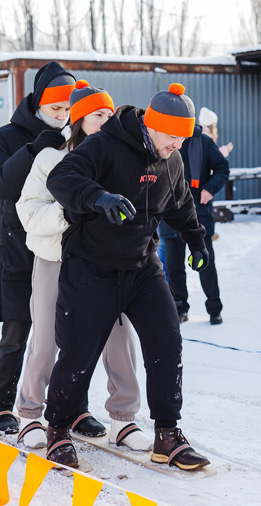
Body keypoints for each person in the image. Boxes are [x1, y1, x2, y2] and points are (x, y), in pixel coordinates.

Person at [43, 83, 212, 471]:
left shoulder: (171, 159)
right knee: (79, 353)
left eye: (183, 139)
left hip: (142, 265)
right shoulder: (105, 144)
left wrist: (195, 240)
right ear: (152, 125)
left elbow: (180, 203)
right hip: (92, 266)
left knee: (167, 342)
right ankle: (58, 430)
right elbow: (62, 178)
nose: (178, 146)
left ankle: (167, 434)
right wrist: (99, 197)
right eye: (172, 137)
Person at [15, 80, 152, 452]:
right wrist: (72, 208)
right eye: (97, 115)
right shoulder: (50, 159)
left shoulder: (118, 158)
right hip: (55, 261)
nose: (106, 121)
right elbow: (29, 213)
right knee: (45, 341)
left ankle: (123, 420)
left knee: (119, 339)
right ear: (77, 120)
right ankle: (30, 414)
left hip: (105, 262)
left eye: (110, 114)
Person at [0, 60, 79, 435]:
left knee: (66, 335)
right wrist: (32, 151)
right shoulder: (5, 137)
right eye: (56, 108)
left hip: (60, 248)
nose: (62, 115)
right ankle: (1, 405)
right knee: (16, 330)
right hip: (17, 247)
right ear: (39, 102)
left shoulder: (75, 134)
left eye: (68, 108)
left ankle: (73, 408)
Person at [157, 115, 229, 325]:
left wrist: (209, 188)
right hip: (169, 210)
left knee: (205, 263)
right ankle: (180, 307)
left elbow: (222, 168)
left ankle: (214, 308)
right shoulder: (161, 141)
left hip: (198, 211)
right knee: (174, 266)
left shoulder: (203, 141)